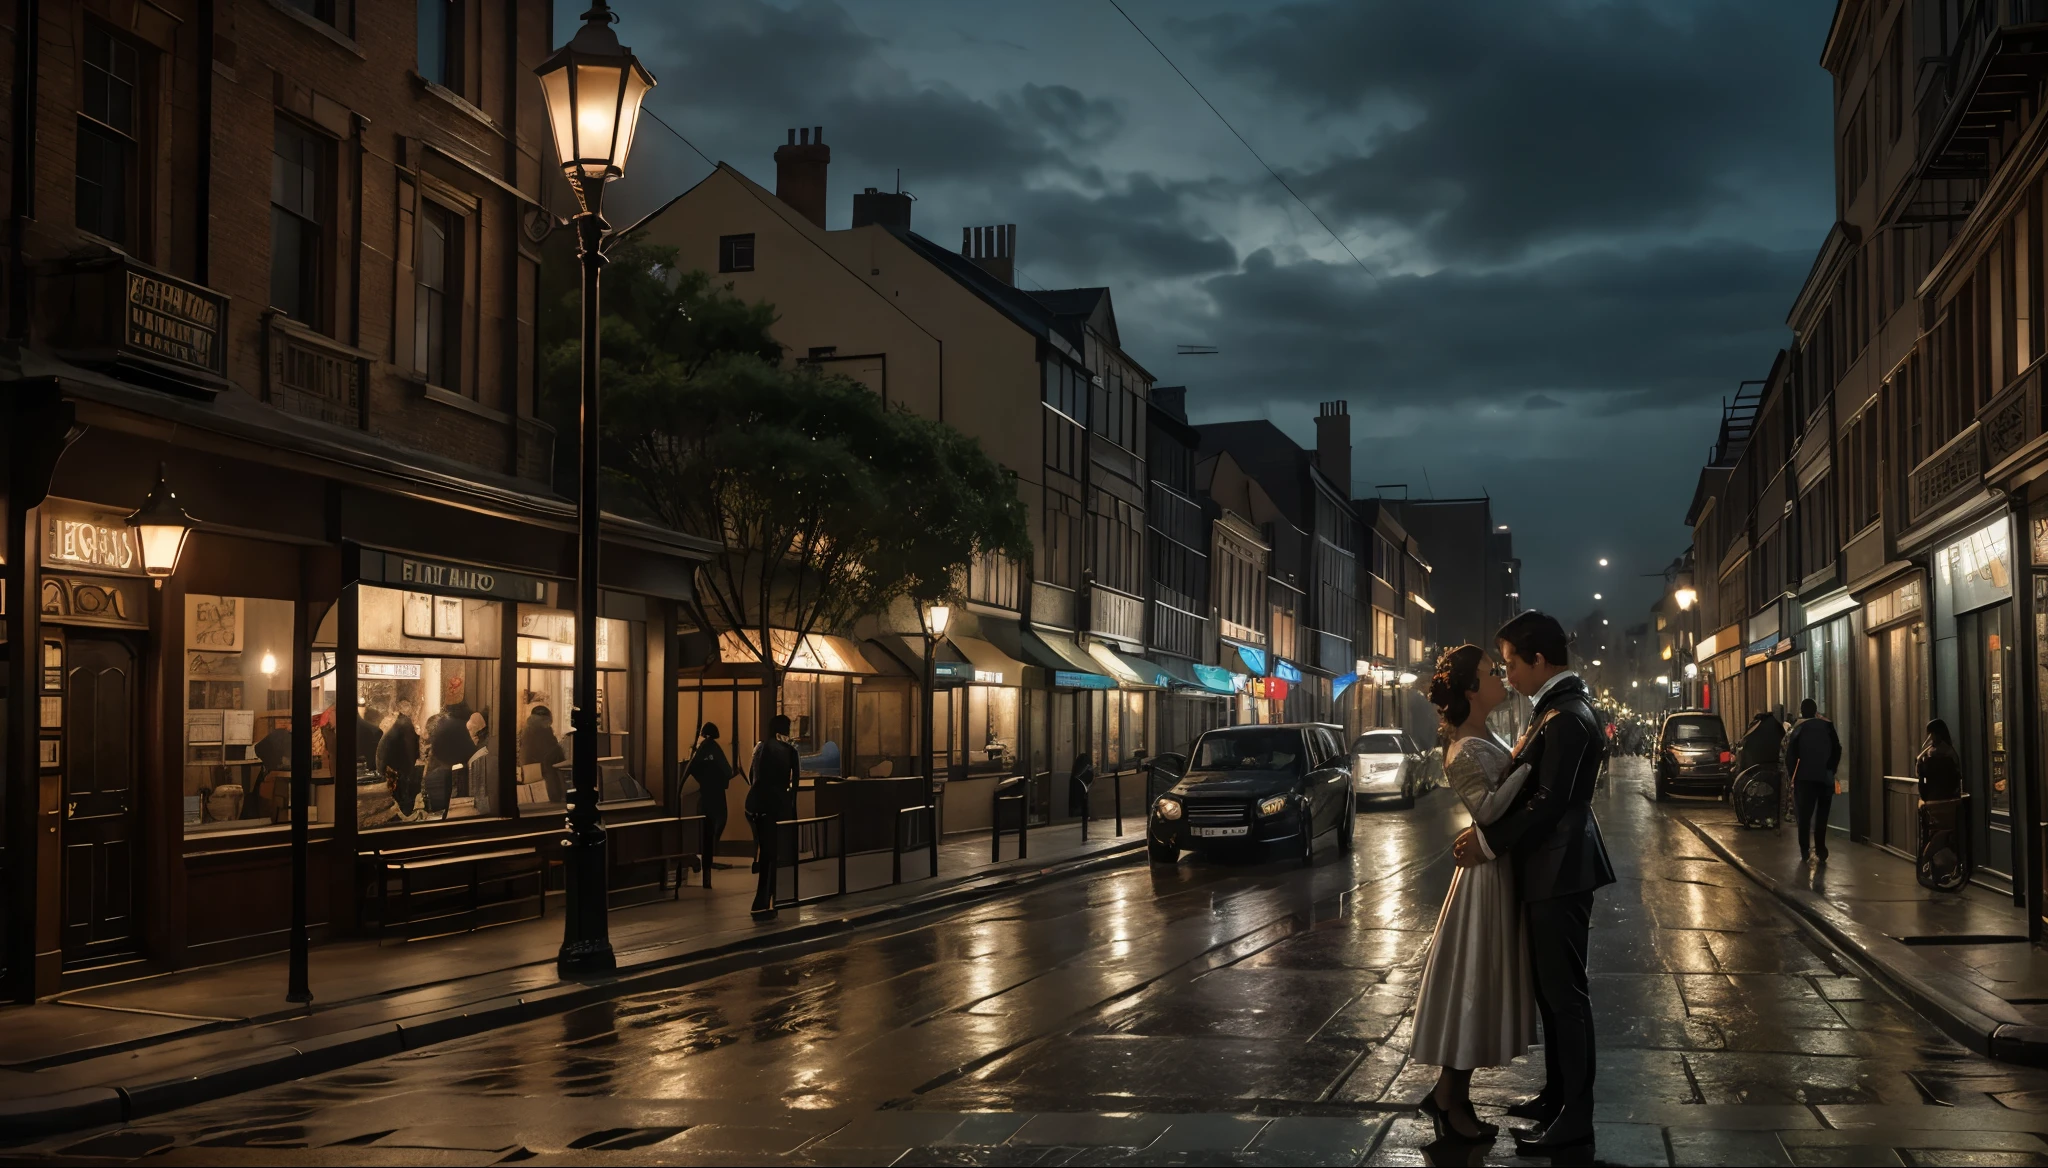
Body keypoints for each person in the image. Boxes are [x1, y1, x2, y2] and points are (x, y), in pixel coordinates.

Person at [1451, 610, 1616, 1157]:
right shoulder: (1555, 710)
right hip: (1550, 866)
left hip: (1560, 868)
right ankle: (1558, 1095)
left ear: (1539, 660)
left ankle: (1577, 1115)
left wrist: (1491, 843)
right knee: (1552, 992)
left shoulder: (1566, 716)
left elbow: (1551, 802)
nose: (1509, 674)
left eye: (1511, 663)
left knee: (1565, 996)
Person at [1413, 645, 1538, 1144]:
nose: (1500, 678)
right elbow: (1487, 811)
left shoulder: (1484, 734)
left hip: (1496, 869)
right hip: (1484, 881)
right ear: (1470, 688)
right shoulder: (1463, 748)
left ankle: (1450, 1096)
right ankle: (1449, 1101)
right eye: (1491, 672)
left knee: (1481, 984)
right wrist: (1525, 768)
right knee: (1474, 984)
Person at [747, 714, 801, 921]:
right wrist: (789, 805)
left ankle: (764, 898)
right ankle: (768, 899)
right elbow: (793, 785)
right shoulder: (790, 751)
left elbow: (755, 777)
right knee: (774, 853)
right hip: (778, 806)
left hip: (758, 805)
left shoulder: (761, 748)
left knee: (766, 851)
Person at [1785, 698, 1843, 863]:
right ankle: (1821, 849)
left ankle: (1805, 850)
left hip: (1805, 778)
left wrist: (1792, 775)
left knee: (1804, 816)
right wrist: (1831, 769)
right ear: (1816, 711)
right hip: (1825, 778)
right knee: (1822, 815)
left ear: (1802, 712)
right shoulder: (1828, 726)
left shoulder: (1799, 729)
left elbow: (1791, 755)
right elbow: (1837, 749)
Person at [683, 722, 736, 870]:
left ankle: (708, 856)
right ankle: (709, 857)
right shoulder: (711, 747)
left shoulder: (702, 748)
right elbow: (727, 770)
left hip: (706, 791)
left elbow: (691, 768)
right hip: (715, 792)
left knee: (710, 825)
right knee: (718, 821)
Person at [377, 699, 422, 816]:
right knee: (402, 800)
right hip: (395, 771)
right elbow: (409, 750)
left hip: (388, 767)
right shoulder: (405, 724)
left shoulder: (400, 723)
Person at [520, 706, 567, 800]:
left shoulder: (529, 730)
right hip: (543, 769)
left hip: (536, 767)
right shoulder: (541, 731)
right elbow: (550, 749)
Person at [1918, 719, 1964, 802]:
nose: (1930, 737)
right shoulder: (1933, 750)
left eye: (1931, 733)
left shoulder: (1944, 752)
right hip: (1941, 797)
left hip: (1942, 797)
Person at [1738, 710, 1786, 775]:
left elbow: (1743, 745)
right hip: (1773, 766)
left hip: (1753, 768)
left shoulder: (1754, 727)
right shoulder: (1776, 725)